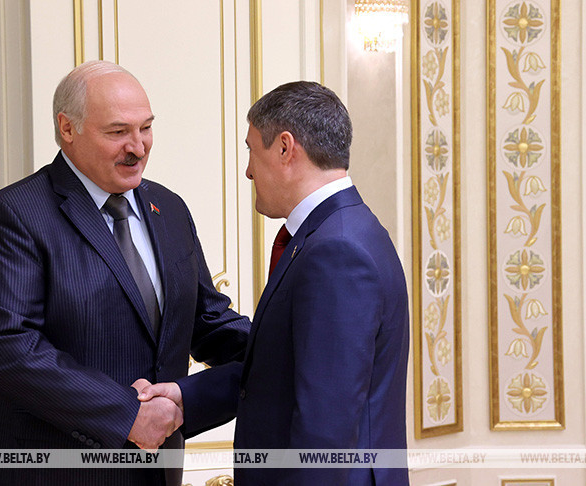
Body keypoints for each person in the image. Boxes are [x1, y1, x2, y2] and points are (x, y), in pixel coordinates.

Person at [0, 60, 250, 486]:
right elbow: (5, 348)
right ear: (67, 128)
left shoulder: (169, 208)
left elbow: (205, 319)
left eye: (146, 128)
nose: (138, 147)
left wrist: (284, 346)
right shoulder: (10, 216)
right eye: (118, 131)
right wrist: (128, 415)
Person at [138, 81, 411, 484]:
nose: (248, 170)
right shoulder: (343, 231)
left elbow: (324, 435)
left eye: (251, 149)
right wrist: (186, 396)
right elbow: (284, 369)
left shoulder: (335, 251)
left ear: (285, 148)